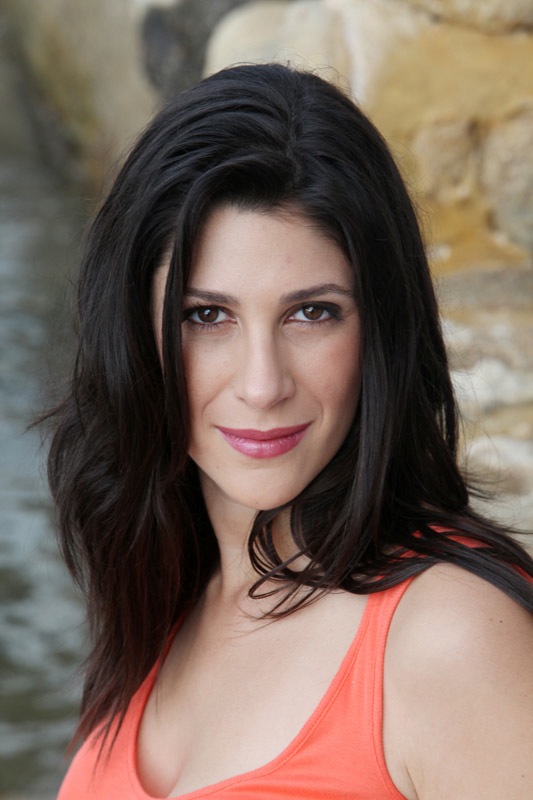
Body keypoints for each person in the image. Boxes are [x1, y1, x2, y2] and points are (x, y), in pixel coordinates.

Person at [45, 63, 533, 799]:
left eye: (311, 313)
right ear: (136, 336)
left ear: (379, 332)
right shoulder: (163, 600)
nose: (262, 384)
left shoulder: (449, 639)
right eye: (207, 316)